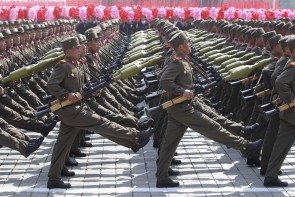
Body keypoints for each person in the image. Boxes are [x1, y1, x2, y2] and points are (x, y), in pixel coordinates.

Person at [156, 31, 263, 188]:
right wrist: (182, 91)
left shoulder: (182, 60)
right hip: (181, 108)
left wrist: (191, 88)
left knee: (170, 144)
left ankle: (162, 176)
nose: (190, 44)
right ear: (180, 46)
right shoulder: (177, 62)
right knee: (214, 128)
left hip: (181, 106)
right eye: (188, 42)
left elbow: (181, 81)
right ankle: (245, 146)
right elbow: (164, 80)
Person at [46, 36, 153, 189]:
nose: (80, 50)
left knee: (63, 143)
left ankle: (54, 176)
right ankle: (135, 135)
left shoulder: (75, 64)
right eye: (76, 48)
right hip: (71, 110)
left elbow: (79, 87)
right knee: (102, 123)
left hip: (77, 107)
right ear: (68, 51)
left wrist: (90, 92)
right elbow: (51, 85)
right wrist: (65, 94)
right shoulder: (63, 66)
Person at [263, 35, 295, 187]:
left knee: (281, 145)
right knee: (281, 145)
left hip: (291, 114)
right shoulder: (294, 65)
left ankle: (270, 176)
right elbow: (279, 81)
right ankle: (270, 175)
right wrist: (292, 98)